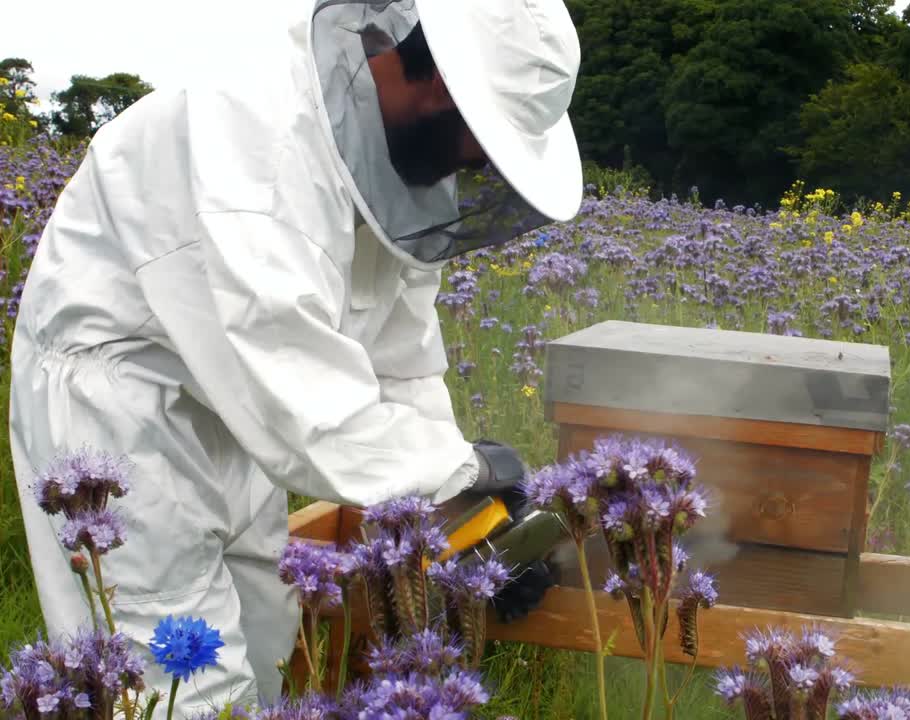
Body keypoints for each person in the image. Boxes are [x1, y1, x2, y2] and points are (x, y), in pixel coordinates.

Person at [8, 0, 581, 715]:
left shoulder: (390, 160)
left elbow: (401, 360)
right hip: (119, 395)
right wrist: (460, 475)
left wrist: (470, 506)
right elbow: (306, 405)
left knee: (266, 632)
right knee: (178, 679)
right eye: (483, 141)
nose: (475, 164)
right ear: (440, 83)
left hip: (231, 401)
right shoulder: (263, 139)